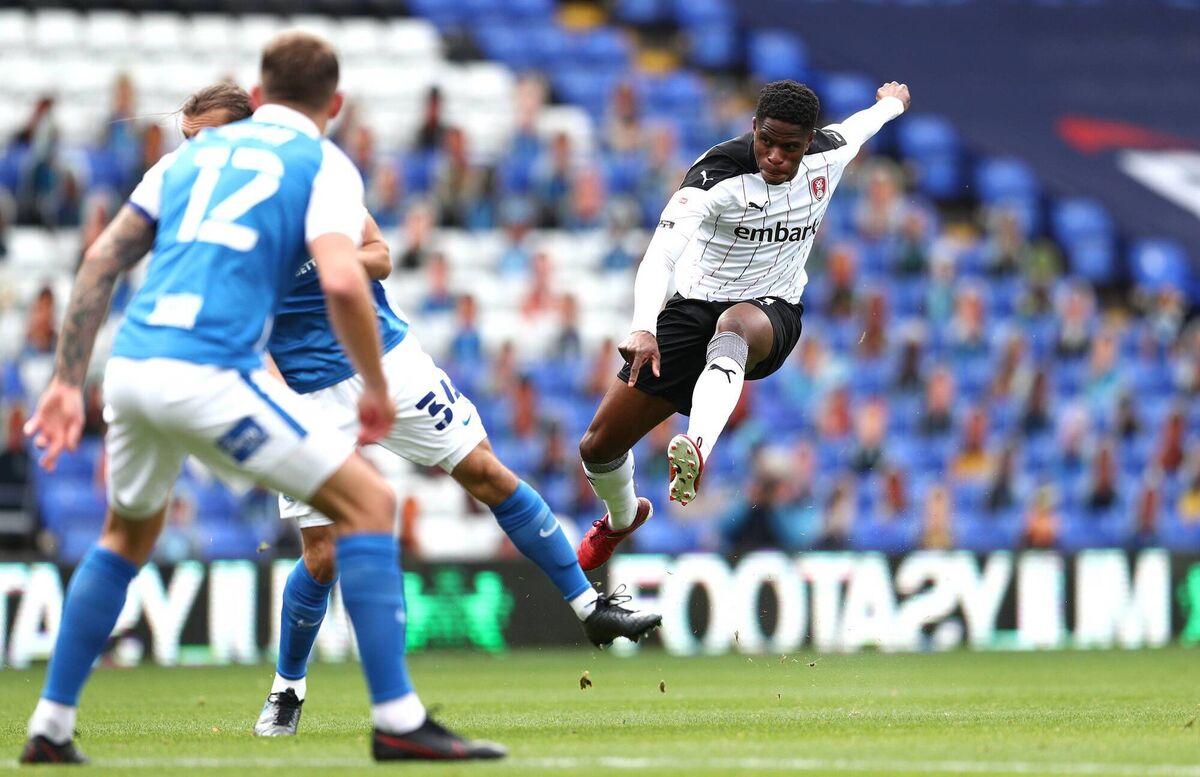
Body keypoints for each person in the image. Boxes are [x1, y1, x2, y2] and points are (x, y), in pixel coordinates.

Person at [19, 32, 505, 764]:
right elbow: (347, 279)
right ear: (333, 104)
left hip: (132, 367)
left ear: (259, 92)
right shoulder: (319, 162)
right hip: (209, 372)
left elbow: (100, 260)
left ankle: (50, 727)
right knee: (370, 504)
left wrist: (64, 381)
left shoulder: (180, 163)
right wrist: (375, 387)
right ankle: (398, 718)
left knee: (124, 538)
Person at [178, 84, 662, 738]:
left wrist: (336, 262)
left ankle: (588, 605)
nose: (190, 156)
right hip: (306, 392)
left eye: (200, 140)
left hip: (389, 359)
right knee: (322, 552)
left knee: (486, 472)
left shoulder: (312, 177)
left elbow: (378, 250)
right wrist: (278, 402)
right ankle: (287, 691)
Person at [575, 79, 910, 570]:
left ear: (809, 141)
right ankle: (621, 519)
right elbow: (661, 252)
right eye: (766, 141)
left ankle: (697, 447)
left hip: (769, 312)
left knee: (733, 327)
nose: (775, 155)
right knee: (598, 446)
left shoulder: (828, 156)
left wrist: (891, 103)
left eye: (790, 147)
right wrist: (644, 326)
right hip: (692, 310)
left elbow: (863, 125)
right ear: (753, 128)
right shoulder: (715, 175)